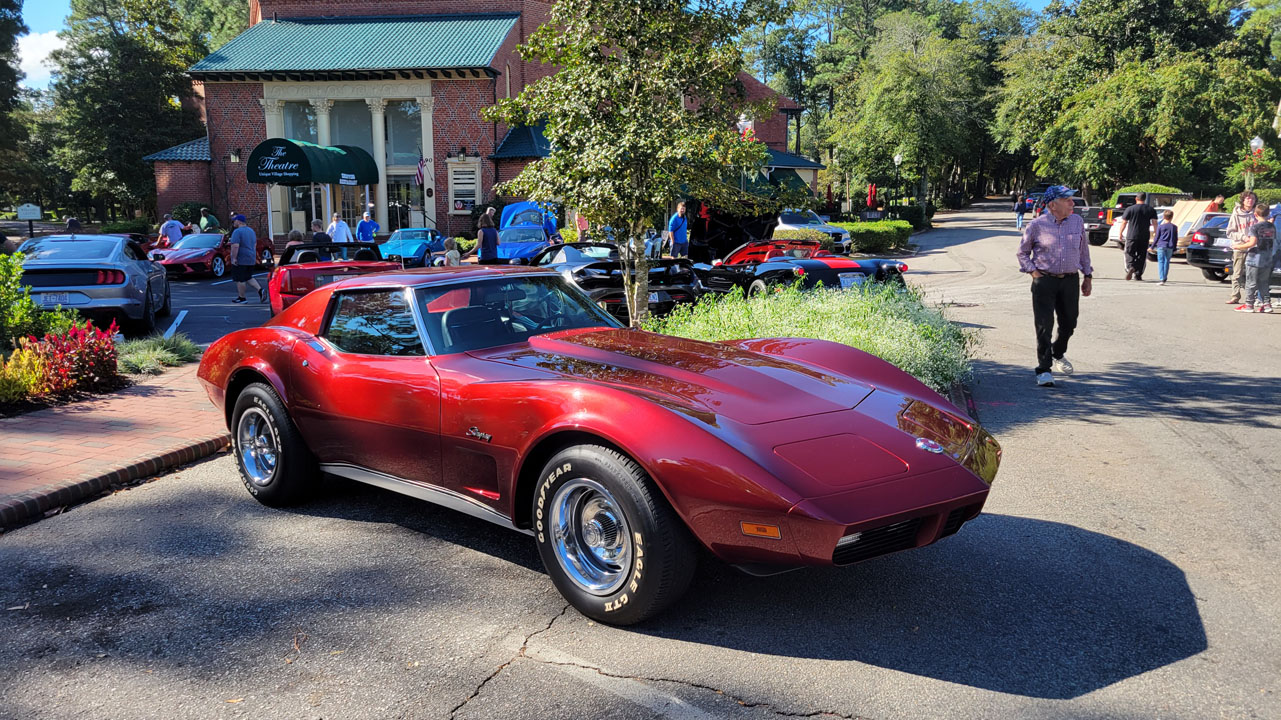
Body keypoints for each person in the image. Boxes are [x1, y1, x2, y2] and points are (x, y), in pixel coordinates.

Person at [1016, 185, 1093, 388]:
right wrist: (1033, 272)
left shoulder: (1077, 221)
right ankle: (1043, 369)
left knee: (1069, 323)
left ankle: (1057, 352)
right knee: (1044, 326)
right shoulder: (1037, 225)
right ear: (1053, 205)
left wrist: (1088, 275)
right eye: (1067, 200)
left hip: (1069, 280)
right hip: (1045, 280)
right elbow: (1022, 253)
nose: (1072, 203)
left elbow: (1083, 250)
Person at [1233, 204, 1275, 313]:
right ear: (1268, 213)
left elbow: (1252, 242)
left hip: (1254, 258)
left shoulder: (1255, 227)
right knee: (1264, 282)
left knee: (1251, 282)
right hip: (1267, 258)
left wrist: (1238, 246)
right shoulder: (1272, 227)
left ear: (1255, 214)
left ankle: (1249, 304)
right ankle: (1267, 304)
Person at [1225, 191, 1259, 304]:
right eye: (1248, 198)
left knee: (1252, 273)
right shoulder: (1236, 214)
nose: (1250, 200)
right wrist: (1243, 237)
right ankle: (1235, 295)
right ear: (1243, 201)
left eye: (1253, 199)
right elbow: (1229, 232)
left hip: (1254, 248)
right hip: (1240, 247)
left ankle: (1252, 297)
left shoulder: (1257, 214)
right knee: (1237, 273)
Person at [1115, 191, 1158, 281]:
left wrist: (1120, 233)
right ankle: (1138, 274)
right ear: (1145, 199)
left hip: (1131, 235)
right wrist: (1155, 234)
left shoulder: (1130, 209)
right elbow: (1155, 223)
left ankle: (1131, 267)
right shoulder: (1150, 209)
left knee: (1129, 253)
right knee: (1142, 255)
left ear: (1136, 199)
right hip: (1144, 236)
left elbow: (1124, 222)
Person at [228, 215, 265, 304]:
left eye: (234, 221)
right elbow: (254, 244)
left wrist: (234, 258)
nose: (233, 223)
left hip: (241, 257)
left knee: (240, 279)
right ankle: (260, 290)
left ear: (239, 221)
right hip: (251, 257)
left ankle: (242, 298)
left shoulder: (237, 232)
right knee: (248, 277)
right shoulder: (251, 231)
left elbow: (235, 246)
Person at [1152, 210, 1178, 285]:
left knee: (1161, 261)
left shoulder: (1160, 227)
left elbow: (1156, 237)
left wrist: (1152, 246)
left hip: (1161, 245)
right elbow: (1175, 238)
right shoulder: (1174, 227)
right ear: (1172, 217)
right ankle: (1165, 277)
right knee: (1167, 261)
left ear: (1164, 217)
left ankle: (1161, 278)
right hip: (1170, 246)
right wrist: (1175, 248)